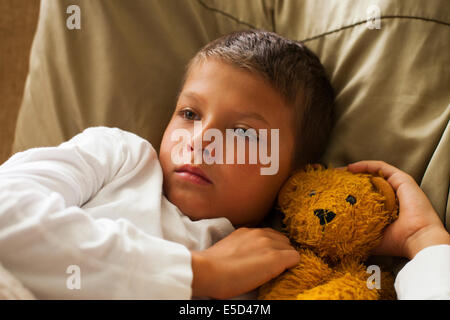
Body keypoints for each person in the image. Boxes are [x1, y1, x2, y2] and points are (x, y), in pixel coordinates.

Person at [0, 30, 448, 299]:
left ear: (293, 175)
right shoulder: (119, 157)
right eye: (190, 114)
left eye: (243, 134)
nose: (199, 142)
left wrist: (425, 244)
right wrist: (201, 273)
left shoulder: (277, 268)